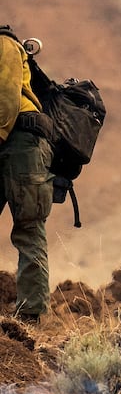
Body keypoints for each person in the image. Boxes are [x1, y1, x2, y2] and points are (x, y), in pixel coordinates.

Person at [0, 28, 53, 322]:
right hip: (12, 141)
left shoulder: (4, 43)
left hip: (22, 142)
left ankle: (30, 316)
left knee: (28, 228)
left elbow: (7, 101)